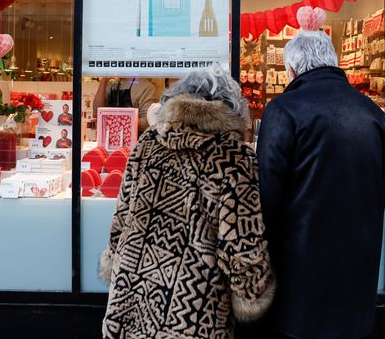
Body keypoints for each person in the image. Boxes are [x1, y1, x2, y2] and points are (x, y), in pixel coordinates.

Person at [99, 66, 275, 339]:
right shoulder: (233, 157)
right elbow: (242, 244)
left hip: (130, 298)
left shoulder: (147, 143)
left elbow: (122, 215)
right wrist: (250, 292)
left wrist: (113, 260)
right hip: (192, 310)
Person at [254, 10, 385, 339]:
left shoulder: (283, 109)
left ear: (291, 69)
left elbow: (266, 196)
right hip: (359, 268)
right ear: (334, 63)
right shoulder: (373, 113)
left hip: (301, 275)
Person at [93, 77, 160, 134]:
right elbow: (97, 113)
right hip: (109, 141)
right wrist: (104, 80)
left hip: (135, 145)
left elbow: (148, 122)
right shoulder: (113, 84)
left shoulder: (146, 87)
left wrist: (117, 122)